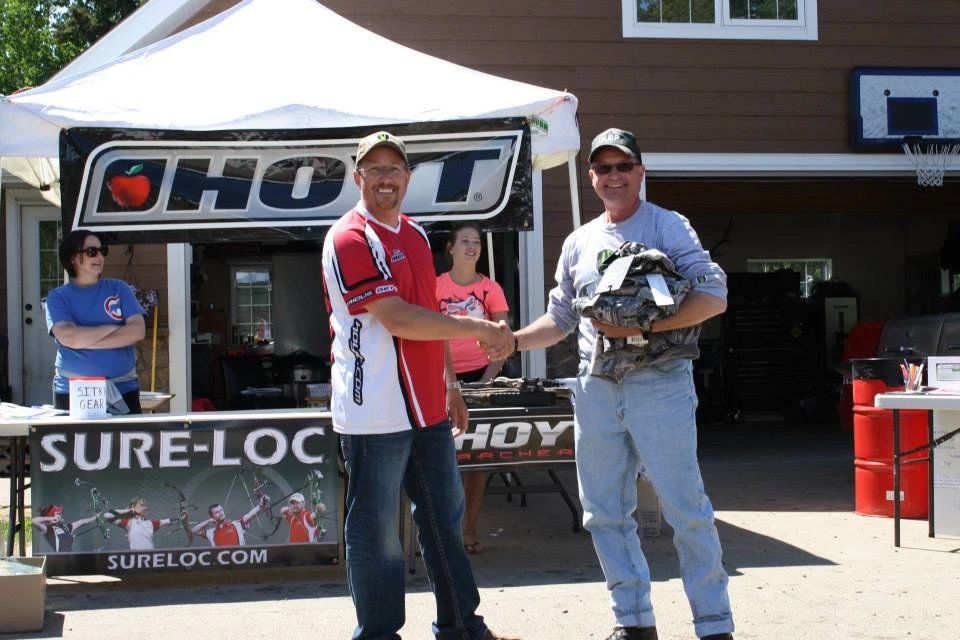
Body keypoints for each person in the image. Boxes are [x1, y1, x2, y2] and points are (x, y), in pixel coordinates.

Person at [507, 128, 735, 640]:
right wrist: (512, 342)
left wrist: (640, 327)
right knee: (604, 512)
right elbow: (561, 317)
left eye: (622, 166)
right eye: (603, 168)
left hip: (659, 383)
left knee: (685, 508)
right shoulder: (578, 241)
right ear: (592, 177)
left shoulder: (668, 226)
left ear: (640, 171)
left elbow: (713, 294)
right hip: (596, 387)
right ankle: (633, 622)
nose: (613, 176)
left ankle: (714, 624)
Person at [320, 130, 517, 640]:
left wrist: (451, 382)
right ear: (357, 175)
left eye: (394, 169)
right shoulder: (349, 237)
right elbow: (398, 318)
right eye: (375, 169)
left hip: (428, 406)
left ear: (408, 176)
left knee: (442, 523)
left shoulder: (415, 234)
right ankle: (379, 632)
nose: (385, 178)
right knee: (377, 532)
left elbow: (429, 312)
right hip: (375, 410)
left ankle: (461, 626)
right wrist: (477, 328)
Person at [436, 222, 510, 554]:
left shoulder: (490, 288)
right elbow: (432, 339)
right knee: (439, 458)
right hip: (441, 377)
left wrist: (487, 381)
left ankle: (469, 528)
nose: (472, 247)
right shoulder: (435, 286)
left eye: (477, 242)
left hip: (481, 376)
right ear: (450, 248)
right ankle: (438, 533)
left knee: (476, 459)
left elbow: (503, 336)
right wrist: (450, 382)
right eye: (464, 241)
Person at [45, 230, 146, 413]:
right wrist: (113, 327)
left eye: (102, 250)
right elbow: (69, 337)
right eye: (92, 251)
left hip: (122, 387)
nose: (99, 256)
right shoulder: (57, 297)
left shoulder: (119, 288)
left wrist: (85, 340)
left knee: (124, 442)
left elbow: (137, 331)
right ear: (73, 257)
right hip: (72, 389)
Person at [191, 496, 269, 547]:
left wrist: (260, 505)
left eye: (221, 510)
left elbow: (250, 514)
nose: (221, 512)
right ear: (212, 516)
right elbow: (192, 531)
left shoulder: (237, 524)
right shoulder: (210, 532)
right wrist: (208, 521)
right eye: (217, 512)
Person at [104, 497, 178, 551]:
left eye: (145, 506)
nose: (145, 508)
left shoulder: (151, 523)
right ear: (133, 507)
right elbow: (107, 515)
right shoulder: (129, 522)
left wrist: (181, 518)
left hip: (151, 557)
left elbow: (169, 521)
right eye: (142, 505)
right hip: (137, 558)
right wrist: (130, 511)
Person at [32, 504, 101, 552]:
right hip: (60, 560)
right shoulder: (48, 530)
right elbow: (34, 521)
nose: (61, 515)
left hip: (70, 557)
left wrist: (95, 517)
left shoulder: (65, 527)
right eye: (58, 514)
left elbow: (81, 522)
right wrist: (51, 518)